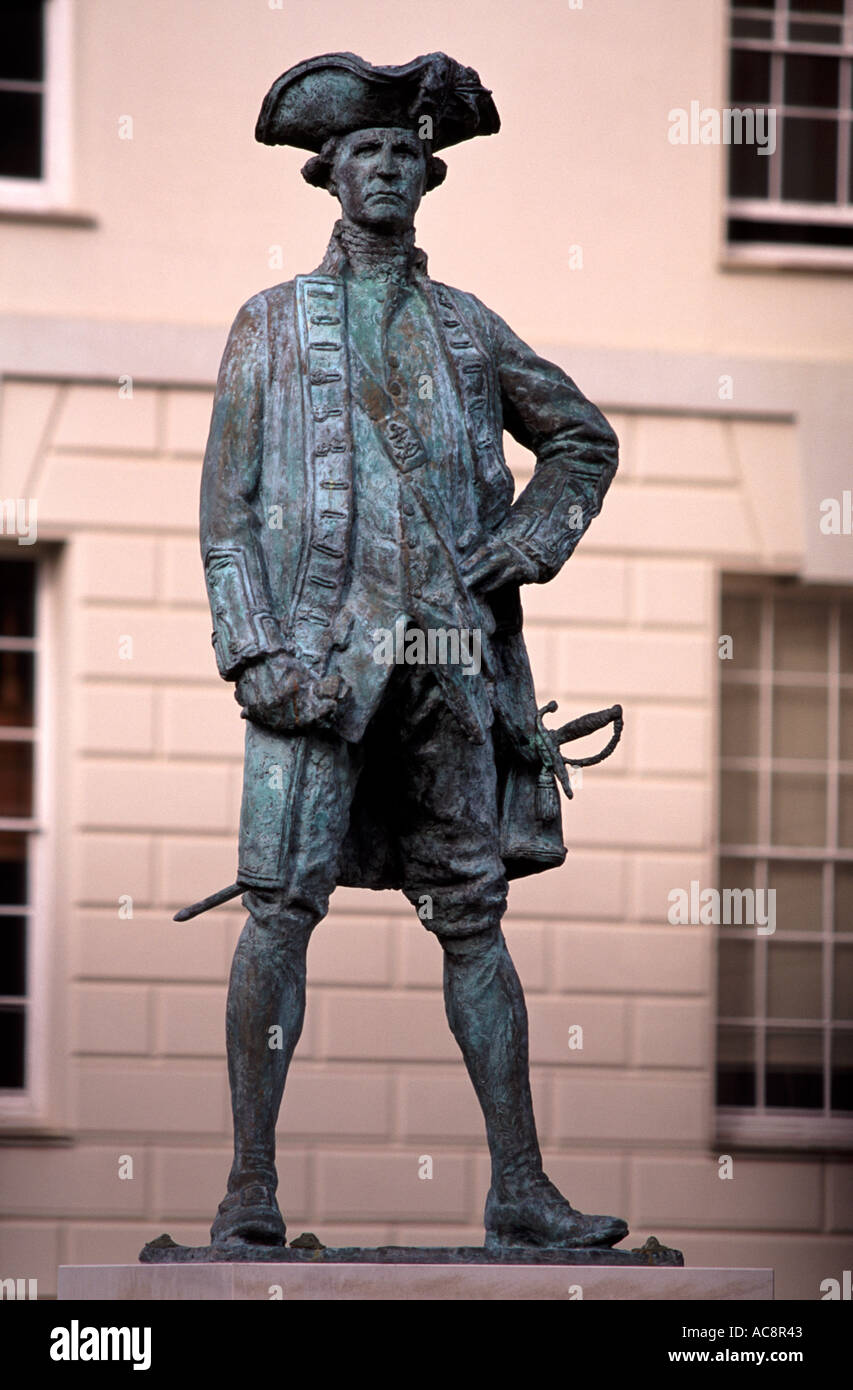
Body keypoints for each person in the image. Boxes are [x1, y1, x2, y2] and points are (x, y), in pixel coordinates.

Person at [197, 52, 626, 1250]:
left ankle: (519, 1187)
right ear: (327, 175)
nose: (383, 169)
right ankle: (248, 1190)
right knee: (278, 911)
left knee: (475, 917)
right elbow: (227, 515)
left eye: (402, 155)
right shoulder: (271, 325)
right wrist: (254, 657)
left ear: (427, 179)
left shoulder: (469, 329)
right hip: (317, 672)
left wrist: (528, 541)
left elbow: (581, 440)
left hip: (450, 661)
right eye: (363, 153)